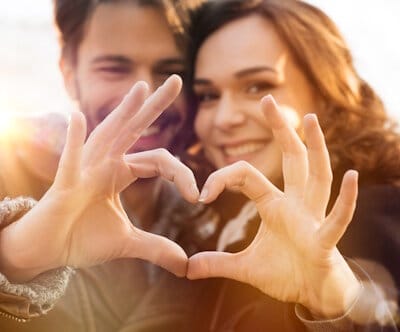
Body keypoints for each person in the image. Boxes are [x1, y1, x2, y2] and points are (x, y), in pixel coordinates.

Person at [0, 1, 399, 332]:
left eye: (258, 85)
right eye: (208, 94)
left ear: (327, 91)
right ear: (68, 73)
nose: (225, 117)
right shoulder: (216, 218)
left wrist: (340, 304)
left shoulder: (370, 217)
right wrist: (14, 259)